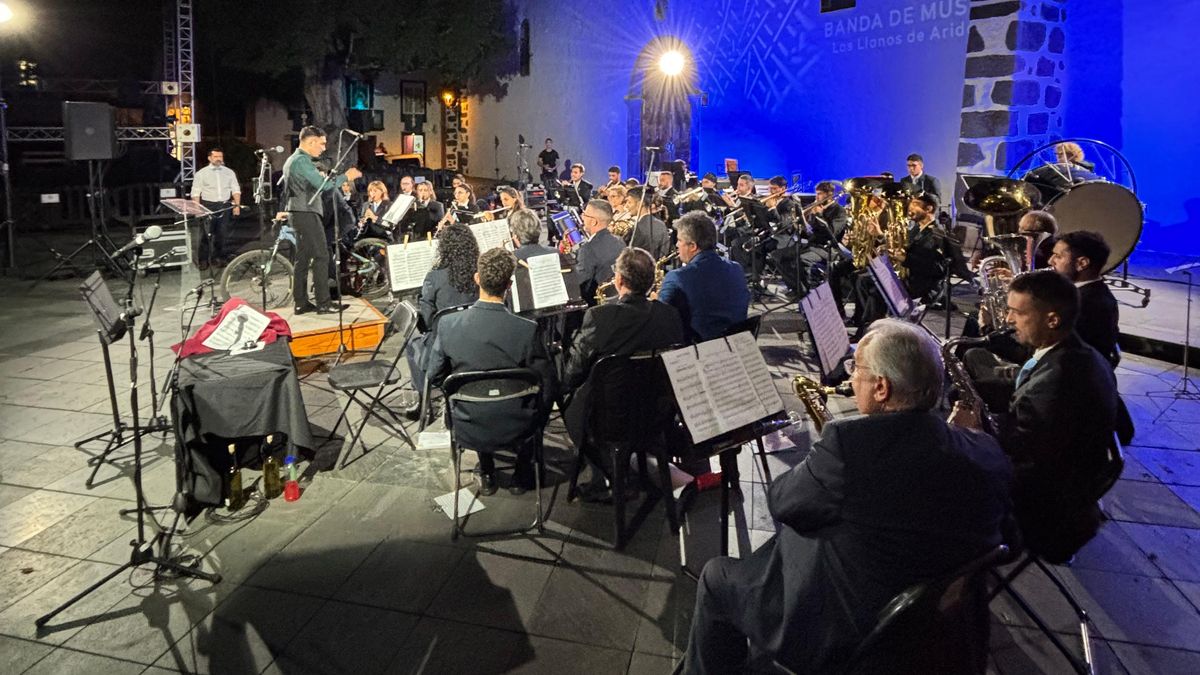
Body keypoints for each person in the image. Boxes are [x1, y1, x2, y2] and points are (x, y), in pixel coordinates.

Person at [684, 320, 1012, 674]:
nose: (851, 378)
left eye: (857, 369)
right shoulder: (986, 450)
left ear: (882, 388)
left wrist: (819, 463)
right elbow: (1011, 538)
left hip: (845, 629)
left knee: (717, 577)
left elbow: (782, 503)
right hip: (932, 631)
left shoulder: (846, 445)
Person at [951, 269, 1118, 562]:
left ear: (1052, 320)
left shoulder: (1058, 383)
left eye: (1017, 312)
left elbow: (1023, 462)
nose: (1007, 319)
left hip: (1046, 511)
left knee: (938, 483)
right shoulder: (1074, 353)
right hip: (1067, 482)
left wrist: (975, 431)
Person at [426, 247, 555, 495]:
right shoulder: (527, 329)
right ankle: (522, 471)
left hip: (469, 423)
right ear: (509, 284)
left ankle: (486, 469)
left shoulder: (448, 325)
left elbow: (434, 375)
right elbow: (546, 384)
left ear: (477, 278)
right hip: (519, 424)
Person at [563, 248, 685, 500]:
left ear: (619, 281)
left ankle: (608, 475)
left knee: (570, 401)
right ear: (652, 281)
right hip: (657, 415)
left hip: (609, 421)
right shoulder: (670, 316)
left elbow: (573, 373)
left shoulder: (599, 317)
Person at [280, 126, 361, 314]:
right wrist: (346, 177)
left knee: (302, 257)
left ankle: (301, 302)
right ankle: (324, 303)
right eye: (322, 144)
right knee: (321, 255)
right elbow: (323, 186)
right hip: (306, 212)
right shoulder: (301, 161)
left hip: (298, 212)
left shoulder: (293, 160)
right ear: (311, 142)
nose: (323, 148)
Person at [405, 223, 480, 399]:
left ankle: (422, 397)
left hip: (444, 348)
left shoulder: (435, 277)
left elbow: (430, 321)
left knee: (411, 342)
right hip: (477, 339)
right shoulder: (481, 274)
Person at [659, 211, 750, 342]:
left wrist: (656, 301)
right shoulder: (736, 268)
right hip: (736, 346)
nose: (677, 245)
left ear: (693, 246)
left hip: (699, 351)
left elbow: (662, 320)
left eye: (679, 240)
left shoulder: (677, 277)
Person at [1048, 231, 1119, 364]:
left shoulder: (1087, 304)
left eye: (1058, 256)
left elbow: (1053, 350)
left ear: (1082, 263)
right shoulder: (1092, 291)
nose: (1050, 261)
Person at [191, 147, 242, 267]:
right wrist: (197, 209)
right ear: (209, 158)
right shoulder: (201, 173)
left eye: (221, 157)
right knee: (205, 234)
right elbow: (196, 192)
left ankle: (218, 257)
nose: (219, 159)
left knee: (222, 234)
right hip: (208, 205)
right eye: (216, 157)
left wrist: (237, 205)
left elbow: (235, 189)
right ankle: (203, 259)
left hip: (224, 205)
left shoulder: (229, 172)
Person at [574, 199, 624, 302]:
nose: (582, 217)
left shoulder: (588, 249)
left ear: (594, 222)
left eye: (585, 215)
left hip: (596, 306)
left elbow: (580, 283)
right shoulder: (619, 241)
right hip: (616, 298)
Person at [624, 186, 671, 258]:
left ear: (641, 203)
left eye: (629, 202)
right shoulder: (661, 224)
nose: (626, 206)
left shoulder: (638, 228)